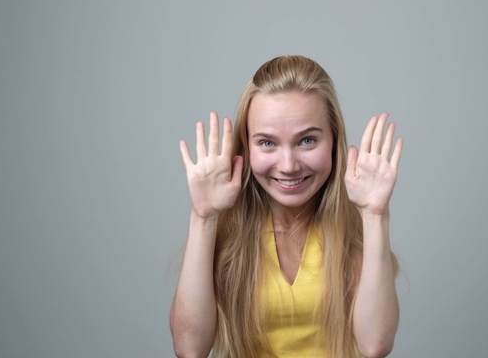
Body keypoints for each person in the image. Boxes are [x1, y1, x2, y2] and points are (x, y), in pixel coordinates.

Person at [170, 55, 403, 358]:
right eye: (267, 143)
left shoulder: (353, 234)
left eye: (307, 140)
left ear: (334, 140)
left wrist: (375, 216)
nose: (288, 165)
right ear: (247, 146)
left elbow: (375, 345)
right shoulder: (226, 235)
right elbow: (189, 348)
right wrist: (204, 217)